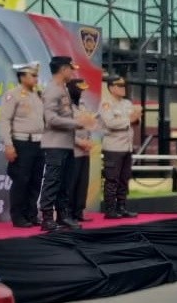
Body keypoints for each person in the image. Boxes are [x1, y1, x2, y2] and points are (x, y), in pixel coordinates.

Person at [39, 56, 96, 231]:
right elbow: (50, 119)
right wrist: (77, 123)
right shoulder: (52, 90)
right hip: (55, 143)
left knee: (65, 181)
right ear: (63, 69)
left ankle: (63, 216)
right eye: (71, 69)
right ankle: (47, 218)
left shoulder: (62, 89)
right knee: (53, 180)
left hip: (66, 143)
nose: (73, 72)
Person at [0, 61, 46, 228]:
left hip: (38, 143)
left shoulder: (38, 96)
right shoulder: (13, 95)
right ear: (22, 76)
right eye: (33, 75)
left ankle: (31, 213)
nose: (36, 79)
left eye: (36, 76)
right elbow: (5, 120)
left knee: (36, 180)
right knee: (21, 180)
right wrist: (8, 144)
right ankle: (18, 216)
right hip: (21, 143)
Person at [99, 74, 140, 219]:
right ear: (111, 87)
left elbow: (135, 120)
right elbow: (110, 123)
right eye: (120, 86)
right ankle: (110, 209)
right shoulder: (106, 103)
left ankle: (121, 207)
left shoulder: (127, 103)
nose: (123, 88)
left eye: (124, 85)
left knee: (124, 178)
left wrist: (133, 119)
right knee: (112, 179)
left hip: (127, 147)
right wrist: (129, 119)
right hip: (113, 147)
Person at [67, 77, 95, 224]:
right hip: (73, 149)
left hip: (85, 150)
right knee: (72, 182)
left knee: (82, 182)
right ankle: (68, 213)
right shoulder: (66, 106)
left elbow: (88, 124)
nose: (82, 92)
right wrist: (80, 142)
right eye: (80, 90)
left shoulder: (83, 105)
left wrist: (89, 141)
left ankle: (79, 211)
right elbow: (65, 130)